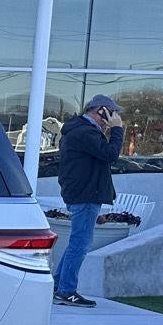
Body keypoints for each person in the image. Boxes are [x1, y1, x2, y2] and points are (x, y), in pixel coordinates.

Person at [53, 94, 125, 308]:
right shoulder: (85, 132)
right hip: (85, 195)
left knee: (77, 242)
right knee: (81, 244)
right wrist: (117, 130)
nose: (113, 117)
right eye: (111, 113)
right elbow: (110, 154)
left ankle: (59, 286)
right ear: (100, 110)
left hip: (83, 193)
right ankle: (66, 291)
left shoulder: (80, 130)